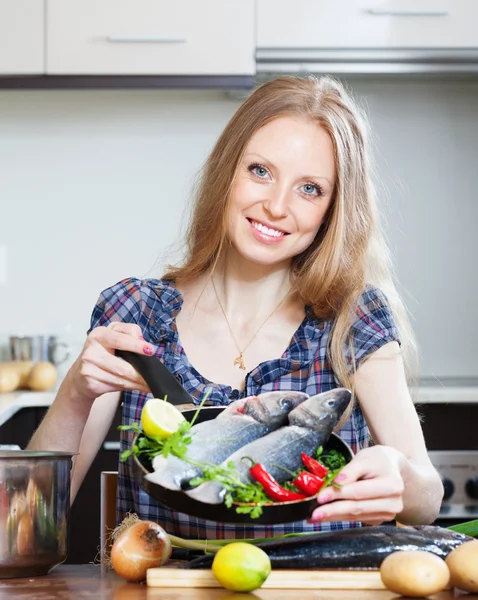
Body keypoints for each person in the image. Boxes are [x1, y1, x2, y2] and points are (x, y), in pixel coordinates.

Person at [28, 75, 443, 539]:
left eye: (310, 189)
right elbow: (33, 520)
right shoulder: (135, 312)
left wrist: (400, 476)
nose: (276, 206)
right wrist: (75, 393)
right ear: (228, 170)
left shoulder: (353, 317)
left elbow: (425, 501)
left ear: (332, 209)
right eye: (260, 171)